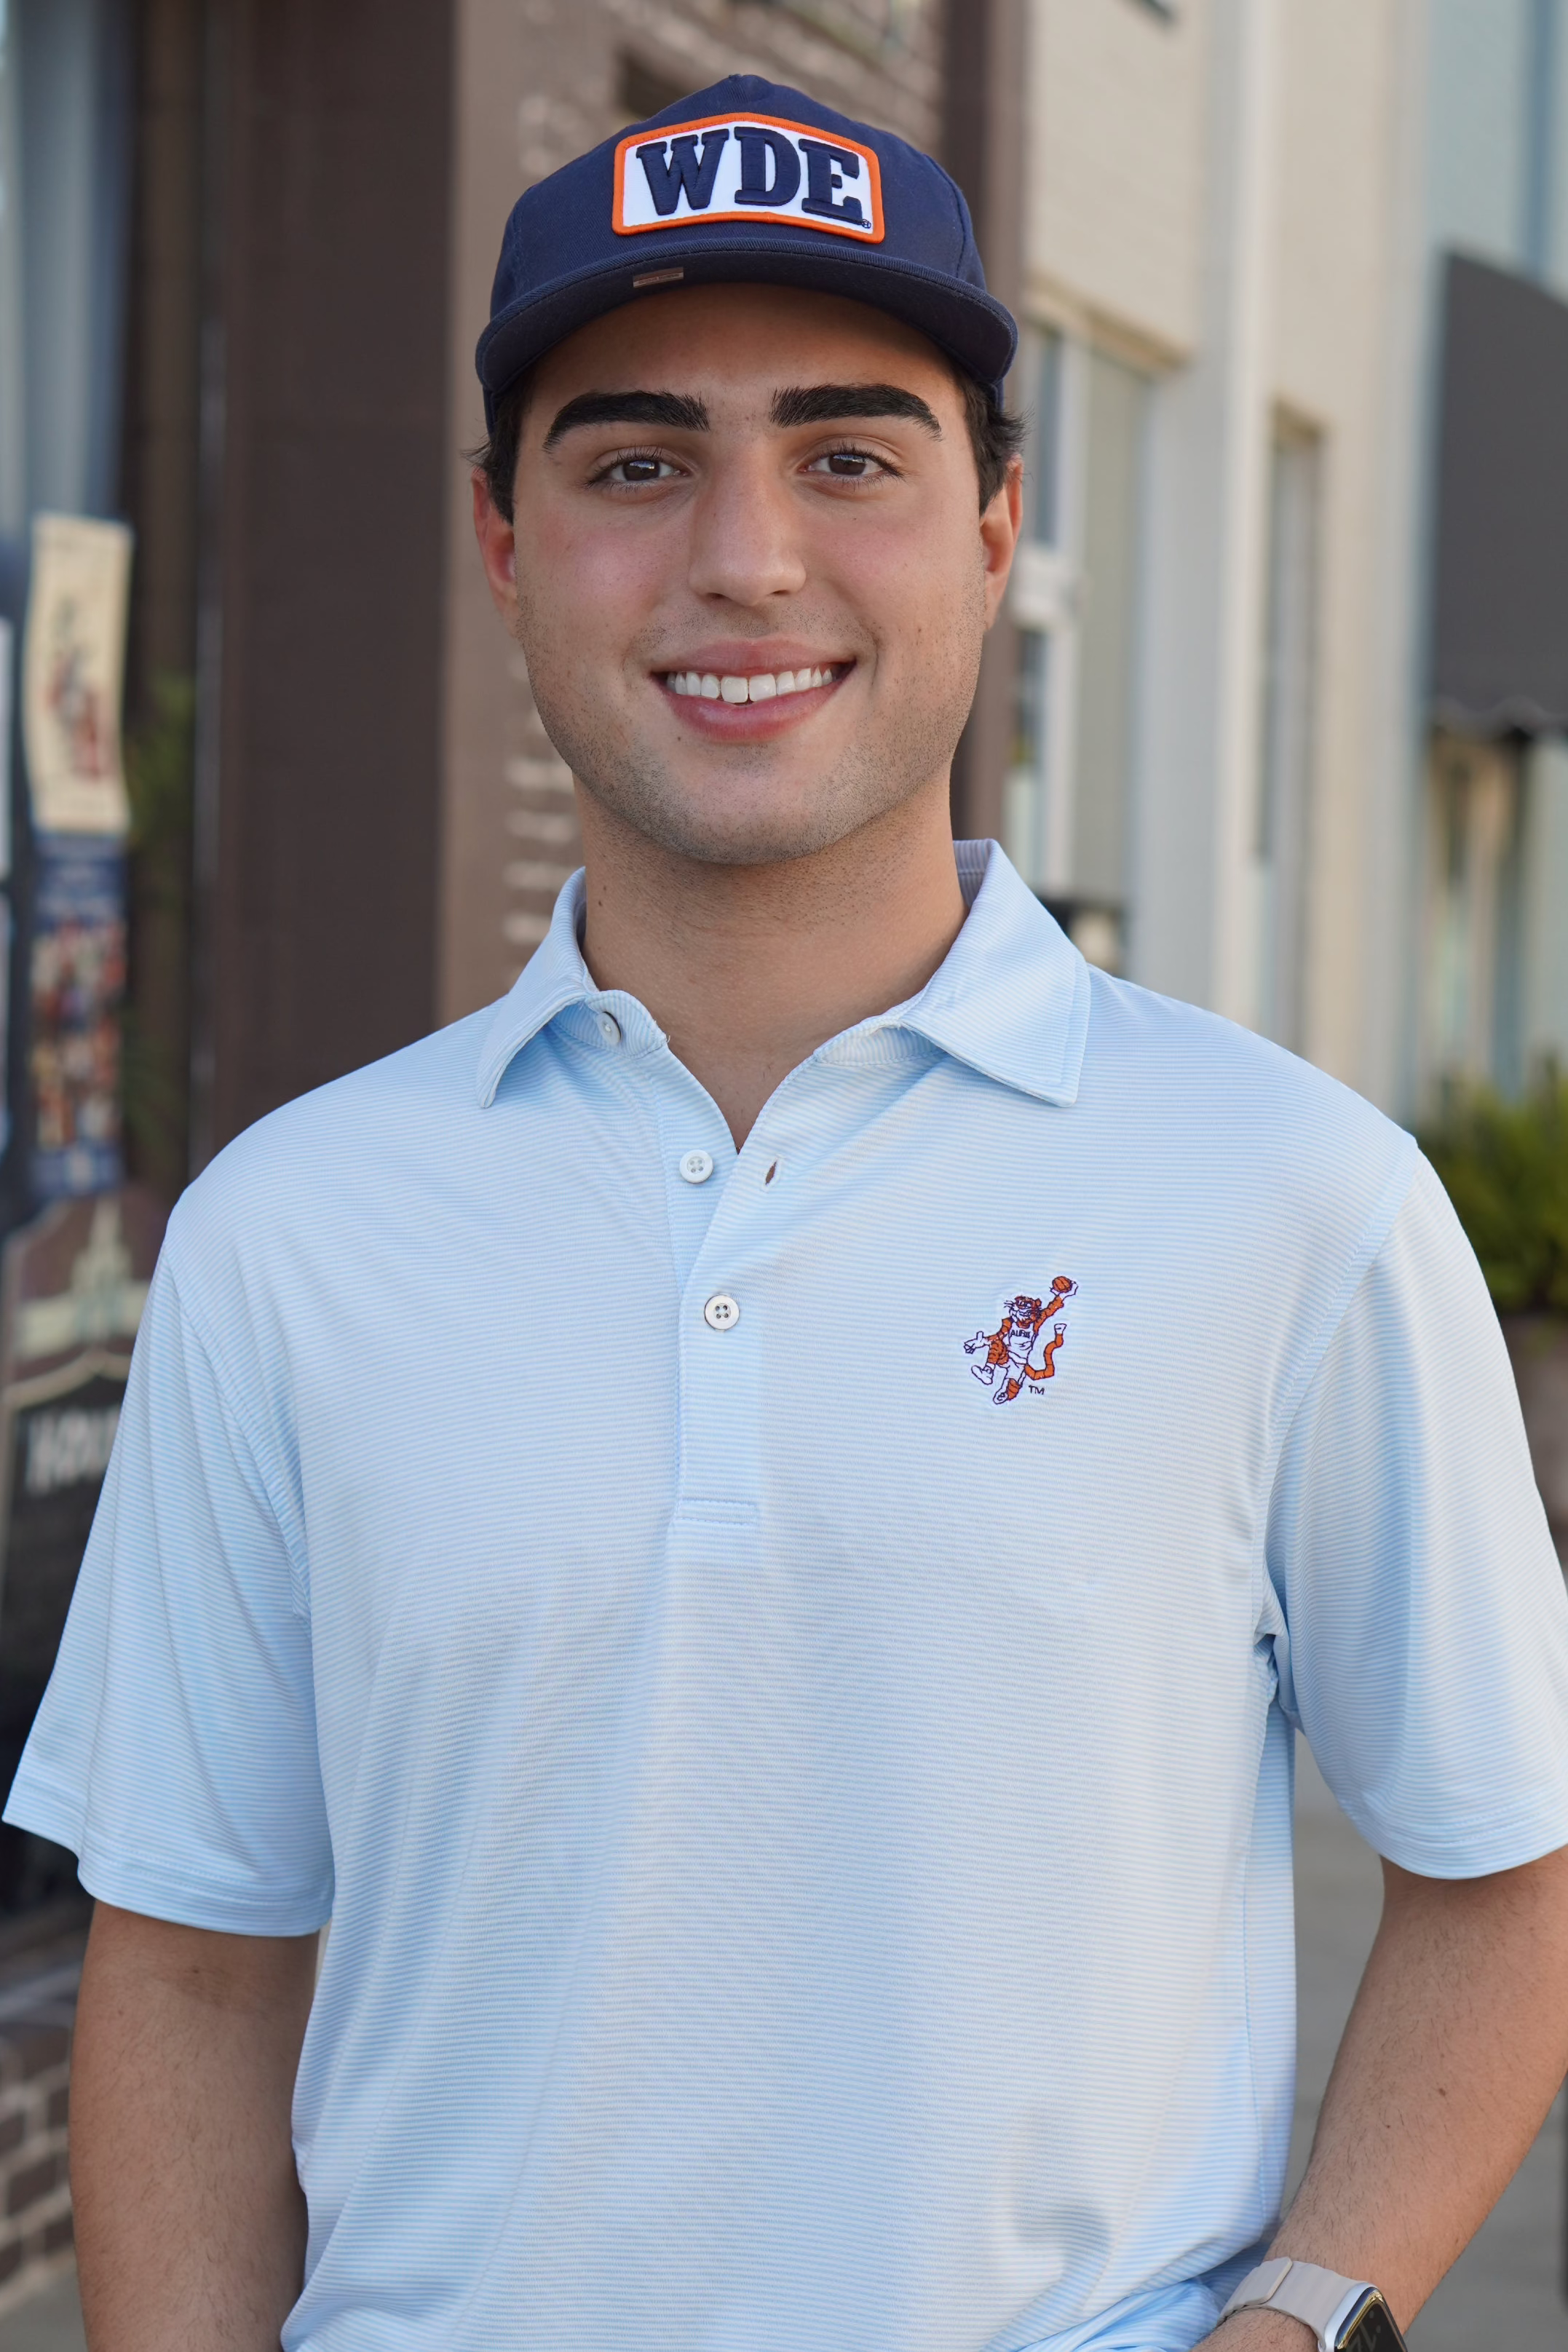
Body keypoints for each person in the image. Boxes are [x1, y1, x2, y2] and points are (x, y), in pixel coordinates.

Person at [9, 75, 1568, 2352]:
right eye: (637, 462)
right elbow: (191, 1964)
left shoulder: (1295, 1197)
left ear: (999, 524)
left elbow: (1509, 1864)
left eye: (852, 455)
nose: (746, 555)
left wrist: (1299, 2321)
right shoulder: (291, 1237)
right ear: (502, 542)